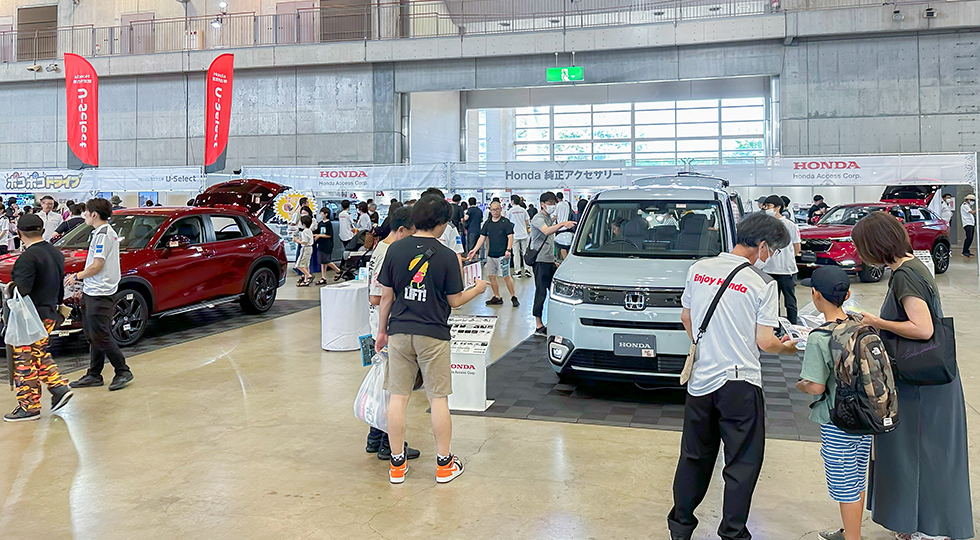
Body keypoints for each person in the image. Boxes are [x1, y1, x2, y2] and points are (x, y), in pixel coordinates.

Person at [667, 212, 797, 540]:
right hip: (740, 383)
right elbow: (766, 341)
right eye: (773, 250)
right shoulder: (762, 284)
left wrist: (710, 343)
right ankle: (733, 532)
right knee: (741, 463)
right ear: (763, 246)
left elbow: (687, 317)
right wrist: (791, 348)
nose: (770, 257)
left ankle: (680, 527)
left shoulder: (698, 269)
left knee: (694, 456)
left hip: (700, 381)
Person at [851, 211, 973, 540]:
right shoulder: (915, 266)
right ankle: (922, 523)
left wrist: (876, 322)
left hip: (921, 385)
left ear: (874, 246)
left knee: (921, 454)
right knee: (927, 453)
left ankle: (928, 527)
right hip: (929, 380)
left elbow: (922, 328)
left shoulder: (905, 275)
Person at [375, 195, 488, 484]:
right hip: (433, 334)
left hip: (399, 331)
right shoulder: (448, 256)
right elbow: (455, 301)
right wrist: (477, 290)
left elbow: (386, 296)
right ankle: (443, 464)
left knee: (397, 399)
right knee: (438, 399)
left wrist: (382, 331)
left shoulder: (394, 249)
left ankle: (397, 465)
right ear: (440, 224)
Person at [795, 266, 869, 540]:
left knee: (844, 482)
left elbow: (815, 385)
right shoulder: (861, 325)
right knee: (857, 476)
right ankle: (852, 531)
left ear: (815, 295)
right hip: (866, 415)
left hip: (838, 420)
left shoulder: (820, 337)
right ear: (847, 294)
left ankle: (853, 538)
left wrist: (800, 384)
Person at [364, 207, 422, 461]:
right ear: (400, 231)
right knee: (392, 385)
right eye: (411, 233)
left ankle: (375, 438)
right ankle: (390, 443)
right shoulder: (389, 252)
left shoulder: (380, 249)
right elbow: (377, 296)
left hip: (379, 323)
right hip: (386, 325)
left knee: (382, 382)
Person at [3, 214, 74, 422]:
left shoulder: (27, 258)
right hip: (50, 312)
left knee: (24, 358)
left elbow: (22, 290)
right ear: (42, 230)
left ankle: (29, 405)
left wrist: (9, 287)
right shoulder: (55, 253)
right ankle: (59, 388)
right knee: (39, 353)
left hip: (30, 317)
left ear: (19, 232)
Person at [68, 198, 134, 391]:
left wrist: (77, 276)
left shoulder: (104, 235)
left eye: (86, 212)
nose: (84, 216)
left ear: (94, 214)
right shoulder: (99, 233)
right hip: (93, 290)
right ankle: (94, 374)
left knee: (100, 334)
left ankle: (122, 370)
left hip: (101, 292)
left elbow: (97, 265)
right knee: (92, 333)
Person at [529, 192, 576, 336]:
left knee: (555, 292)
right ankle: (538, 325)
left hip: (548, 261)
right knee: (541, 291)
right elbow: (547, 231)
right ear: (542, 204)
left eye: (553, 203)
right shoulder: (538, 219)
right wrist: (562, 223)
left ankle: (556, 321)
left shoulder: (548, 218)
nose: (552, 206)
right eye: (550, 203)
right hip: (540, 261)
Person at [467, 201, 519, 308]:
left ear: (500, 209)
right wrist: (474, 249)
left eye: (497, 209)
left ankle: (513, 296)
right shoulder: (488, 223)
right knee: (491, 276)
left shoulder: (505, 222)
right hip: (491, 255)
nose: (495, 211)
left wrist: (508, 250)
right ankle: (497, 296)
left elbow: (510, 236)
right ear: (490, 211)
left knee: (506, 276)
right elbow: (482, 237)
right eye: (493, 210)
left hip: (503, 255)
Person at [761, 195, 802, 324]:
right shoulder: (765, 226)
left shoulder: (790, 225)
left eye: (769, 206)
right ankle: (775, 326)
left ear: (778, 207)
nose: (766, 209)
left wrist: (787, 258)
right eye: (765, 206)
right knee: (773, 303)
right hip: (768, 269)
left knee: (790, 301)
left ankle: (793, 326)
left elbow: (797, 247)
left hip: (786, 270)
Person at [314, 207, 341, 285]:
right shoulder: (320, 223)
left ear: (326, 214)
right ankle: (323, 277)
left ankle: (338, 270)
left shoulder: (329, 224)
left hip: (327, 244)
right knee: (322, 262)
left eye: (321, 213)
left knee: (326, 260)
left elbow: (329, 235)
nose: (320, 214)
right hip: (321, 244)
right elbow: (317, 232)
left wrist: (319, 235)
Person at [508, 195, 531, 278]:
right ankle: (527, 270)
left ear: (513, 201)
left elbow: (508, 223)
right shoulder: (523, 210)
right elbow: (527, 221)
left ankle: (517, 271)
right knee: (525, 253)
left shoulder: (510, 211)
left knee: (516, 253)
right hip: (524, 234)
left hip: (515, 235)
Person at [293, 215, 314, 287]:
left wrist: (296, 241)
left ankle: (309, 276)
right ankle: (306, 281)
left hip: (305, 248)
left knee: (299, 265)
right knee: (306, 265)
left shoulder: (304, 231)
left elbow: (305, 242)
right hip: (310, 248)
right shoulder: (309, 231)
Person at [554, 192, 574, 260]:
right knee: (569, 245)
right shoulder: (567, 204)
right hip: (568, 226)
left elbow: (555, 216)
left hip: (560, 227)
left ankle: (565, 260)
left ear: (557, 198)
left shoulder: (557, 205)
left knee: (562, 247)